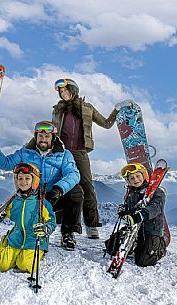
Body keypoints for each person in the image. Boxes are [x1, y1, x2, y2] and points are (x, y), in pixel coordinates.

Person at [0, 121, 83, 251]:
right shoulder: (26, 153)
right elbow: (4, 164)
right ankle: (23, 234)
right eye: (40, 136)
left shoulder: (64, 154)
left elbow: (73, 174)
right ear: (36, 137)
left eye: (47, 136)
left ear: (53, 137)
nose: (43, 139)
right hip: (33, 198)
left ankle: (68, 233)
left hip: (55, 196)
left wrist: (58, 189)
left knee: (76, 192)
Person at [52, 78, 119, 239]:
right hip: (62, 154)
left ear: (73, 90)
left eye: (65, 90)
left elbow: (107, 123)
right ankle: (65, 226)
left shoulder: (87, 108)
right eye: (61, 92)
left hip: (80, 153)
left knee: (87, 187)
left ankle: (92, 225)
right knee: (63, 187)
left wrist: (116, 111)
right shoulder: (57, 110)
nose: (63, 94)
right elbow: (52, 132)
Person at [0, 163, 56, 273]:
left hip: (34, 239)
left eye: (27, 178)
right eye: (20, 178)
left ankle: (39, 252)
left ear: (34, 181)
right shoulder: (13, 201)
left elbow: (51, 220)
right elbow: (4, 213)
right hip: (16, 238)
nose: (23, 182)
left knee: (25, 265)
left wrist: (47, 228)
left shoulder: (42, 203)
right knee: (2, 263)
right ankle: (7, 243)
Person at [117, 163, 167, 267]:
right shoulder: (131, 193)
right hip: (135, 230)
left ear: (144, 175)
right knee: (112, 247)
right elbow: (130, 208)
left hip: (151, 230)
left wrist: (140, 216)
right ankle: (136, 245)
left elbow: (156, 208)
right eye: (131, 178)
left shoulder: (157, 191)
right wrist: (124, 211)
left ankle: (160, 248)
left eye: (137, 176)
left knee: (143, 261)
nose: (135, 180)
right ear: (128, 181)